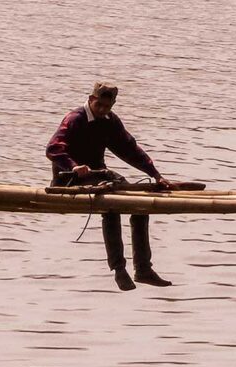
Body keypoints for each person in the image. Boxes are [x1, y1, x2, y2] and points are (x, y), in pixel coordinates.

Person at [46, 82, 172, 291]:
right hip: (69, 179)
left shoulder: (109, 121)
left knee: (140, 203)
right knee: (112, 205)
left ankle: (143, 268)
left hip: (100, 177)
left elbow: (129, 149)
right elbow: (53, 148)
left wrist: (156, 175)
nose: (103, 110)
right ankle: (118, 269)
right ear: (90, 100)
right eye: (99, 105)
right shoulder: (75, 119)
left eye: (107, 106)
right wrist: (74, 166)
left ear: (113, 104)